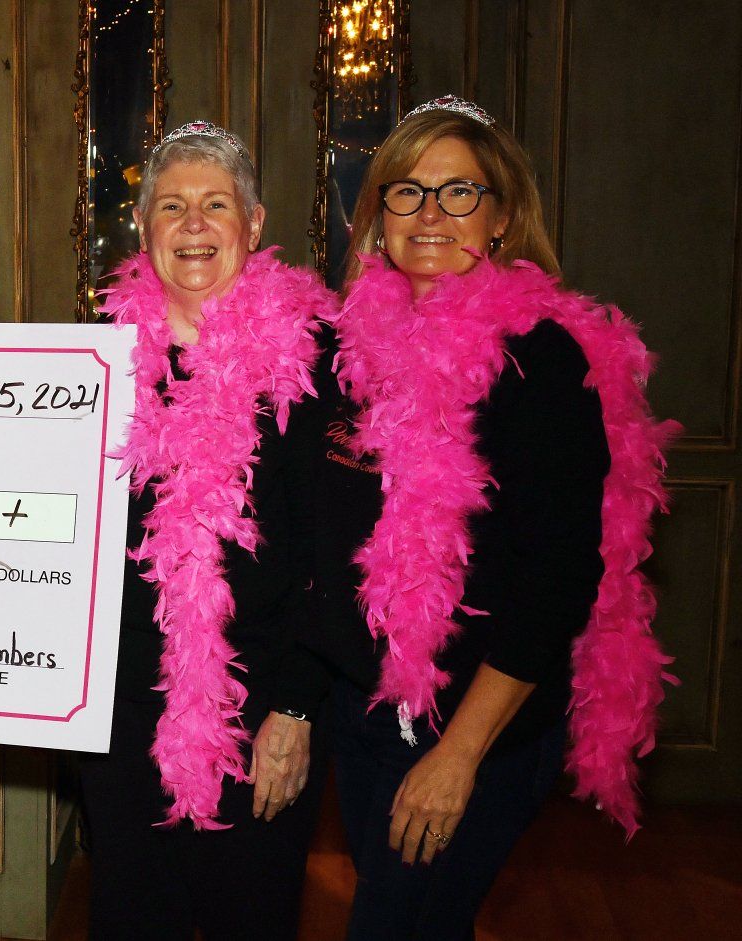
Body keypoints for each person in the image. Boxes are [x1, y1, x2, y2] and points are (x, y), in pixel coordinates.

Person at [326, 95, 675, 939]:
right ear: (379, 216)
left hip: (470, 731)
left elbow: (555, 578)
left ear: (504, 213)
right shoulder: (358, 349)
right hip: (368, 716)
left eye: (459, 192)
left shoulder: (541, 362)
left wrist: (457, 757)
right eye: (406, 191)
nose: (430, 213)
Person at [83, 121, 353, 941]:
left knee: (252, 917)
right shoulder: (95, 362)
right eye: (172, 207)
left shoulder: (317, 365)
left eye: (215, 204)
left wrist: (299, 708)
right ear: (143, 229)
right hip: (120, 711)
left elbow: (338, 555)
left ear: (255, 224)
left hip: (261, 706)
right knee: (131, 919)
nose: (193, 225)